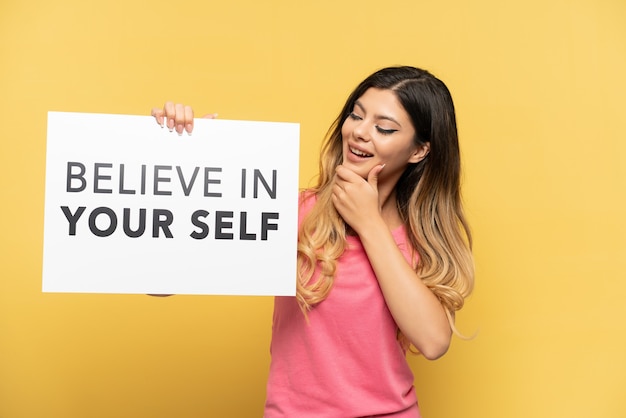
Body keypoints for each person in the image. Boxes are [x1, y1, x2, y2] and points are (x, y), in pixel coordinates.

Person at [151, 66, 474, 418]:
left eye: (383, 128)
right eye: (356, 115)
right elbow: (160, 284)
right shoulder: (294, 212)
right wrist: (180, 159)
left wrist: (369, 223)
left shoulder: (420, 239)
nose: (359, 133)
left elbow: (433, 341)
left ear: (419, 151)